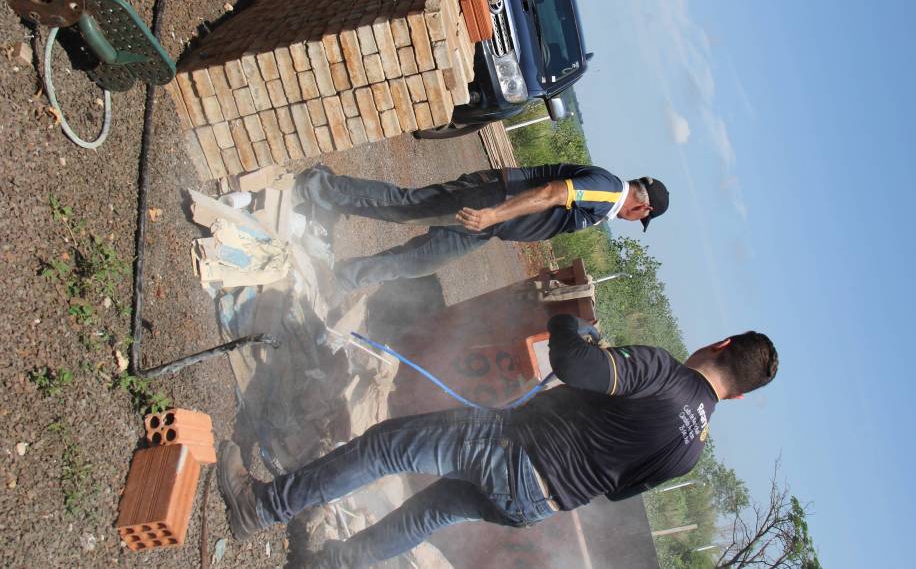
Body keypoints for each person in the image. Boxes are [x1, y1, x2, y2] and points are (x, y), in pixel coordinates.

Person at [217, 314, 778, 568]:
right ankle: (331, 565)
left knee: (387, 447)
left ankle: (261, 506)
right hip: (537, 504)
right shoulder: (691, 453)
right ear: (738, 397)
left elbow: (575, 365)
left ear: (721, 343)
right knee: (427, 514)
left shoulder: (661, 371)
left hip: (512, 451)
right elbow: (619, 491)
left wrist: (568, 326)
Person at [296, 164, 669, 299]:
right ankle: (318, 186)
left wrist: (495, 222)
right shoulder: (608, 191)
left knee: (419, 261)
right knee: (406, 207)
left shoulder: (606, 201)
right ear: (644, 209)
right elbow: (551, 193)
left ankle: (342, 278)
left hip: (489, 224)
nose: (634, 221)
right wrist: (493, 214)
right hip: (489, 200)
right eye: (641, 219)